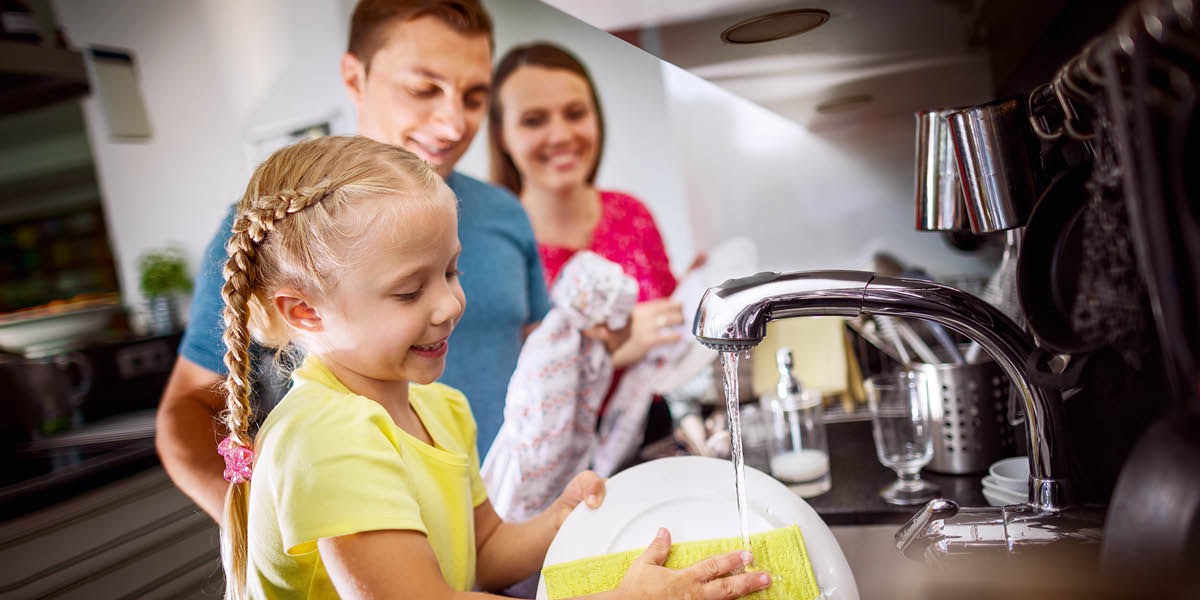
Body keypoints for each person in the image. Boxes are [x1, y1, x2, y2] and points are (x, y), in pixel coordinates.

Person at [215, 135, 772, 599]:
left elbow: (480, 554)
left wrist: (560, 517)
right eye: (410, 292)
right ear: (305, 312)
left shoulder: (439, 407)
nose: (451, 304)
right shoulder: (325, 439)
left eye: (452, 271)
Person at [156, 0, 550, 524]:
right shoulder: (274, 230)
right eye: (423, 89)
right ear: (355, 77)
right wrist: (253, 527)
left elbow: (536, 359)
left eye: (475, 96)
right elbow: (187, 408)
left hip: (500, 528)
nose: (454, 122)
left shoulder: (505, 212)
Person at [487, 42, 690, 454]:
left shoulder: (632, 213)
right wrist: (613, 350)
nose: (561, 135)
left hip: (652, 436)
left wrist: (690, 302)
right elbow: (502, 382)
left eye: (575, 113)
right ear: (502, 136)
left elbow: (670, 335)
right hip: (554, 460)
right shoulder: (493, 246)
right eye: (533, 120)